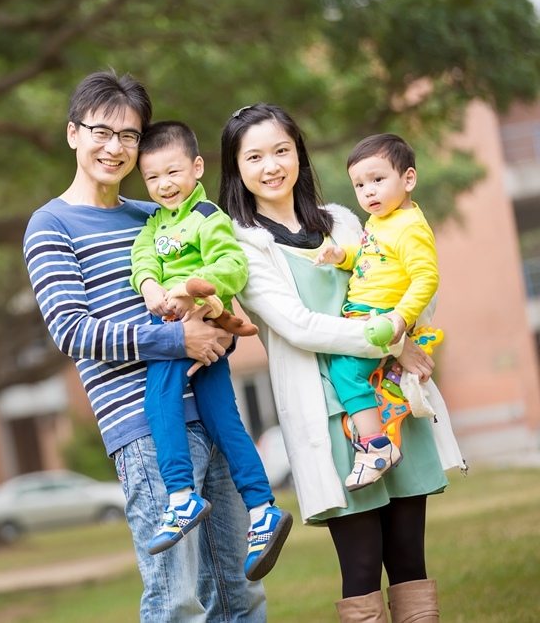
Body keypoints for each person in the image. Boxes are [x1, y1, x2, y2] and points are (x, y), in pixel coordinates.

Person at [23, 71, 266, 621]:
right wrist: (176, 339)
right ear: (72, 134)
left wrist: (217, 328)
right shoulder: (51, 225)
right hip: (143, 430)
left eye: (129, 136)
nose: (115, 147)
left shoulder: (156, 215)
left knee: (238, 591)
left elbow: (207, 302)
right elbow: (73, 331)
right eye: (101, 132)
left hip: (212, 413)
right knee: (175, 599)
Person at [217, 103, 465, 622]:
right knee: (359, 565)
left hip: (388, 400)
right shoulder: (243, 247)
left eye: (282, 150)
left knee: (409, 559)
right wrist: (393, 341)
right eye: (255, 156)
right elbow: (301, 327)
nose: (272, 165)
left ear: (300, 155)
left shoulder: (347, 221)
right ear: (236, 169)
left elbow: (413, 289)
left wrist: (402, 331)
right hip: (328, 415)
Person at [129, 120, 292, 577]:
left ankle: (180, 496)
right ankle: (262, 507)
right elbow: (141, 259)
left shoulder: (209, 218)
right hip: (175, 322)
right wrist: (148, 287)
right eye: (152, 177)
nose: (163, 185)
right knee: (225, 420)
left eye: (173, 172)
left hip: (190, 324)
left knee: (159, 402)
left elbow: (232, 265)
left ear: (197, 168)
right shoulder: (155, 223)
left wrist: (184, 288)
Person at [312, 133, 440, 492]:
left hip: (381, 318)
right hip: (367, 314)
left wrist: (399, 319)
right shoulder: (380, 222)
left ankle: (375, 447)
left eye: (377, 180)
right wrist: (344, 256)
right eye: (359, 185)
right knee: (350, 370)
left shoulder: (410, 227)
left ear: (408, 179)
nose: (368, 191)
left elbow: (426, 278)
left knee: (346, 370)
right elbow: (373, 259)